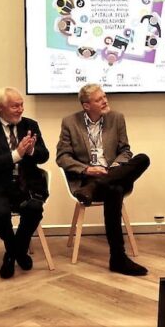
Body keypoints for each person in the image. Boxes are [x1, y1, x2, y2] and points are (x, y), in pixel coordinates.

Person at [56, 83, 150, 276]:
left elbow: (125, 151)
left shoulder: (117, 118)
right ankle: (118, 258)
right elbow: (62, 157)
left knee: (143, 158)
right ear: (86, 105)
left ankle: (98, 185)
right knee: (115, 190)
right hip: (87, 178)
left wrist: (113, 168)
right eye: (99, 99)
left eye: (105, 96)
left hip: (112, 173)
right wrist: (88, 169)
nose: (105, 101)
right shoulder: (70, 122)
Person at [0, 87, 49, 279]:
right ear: (0, 107)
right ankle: (18, 252)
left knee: (34, 209)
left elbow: (44, 155)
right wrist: (17, 154)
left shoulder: (31, 125)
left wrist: (31, 151)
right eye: (15, 106)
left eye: (22, 105)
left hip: (27, 184)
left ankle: (13, 253)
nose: (20, 109)